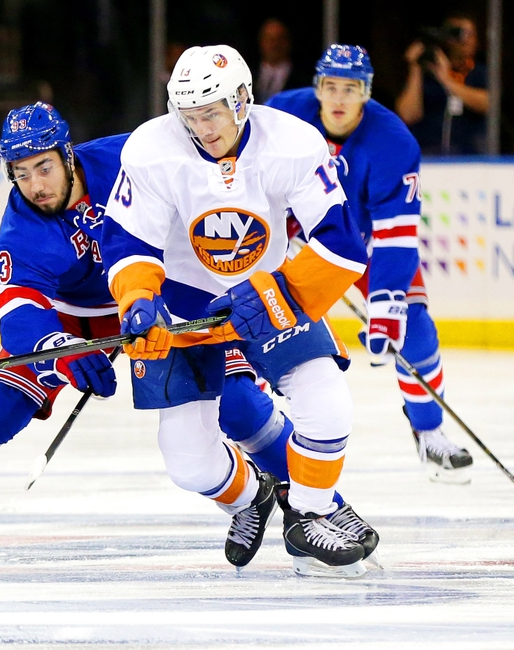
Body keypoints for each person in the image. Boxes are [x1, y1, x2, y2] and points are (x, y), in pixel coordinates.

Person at [0, 102, 294, 571]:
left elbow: (212, 169)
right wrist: (58, 352)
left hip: (165, 296)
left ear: (67, 155)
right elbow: (19, 311)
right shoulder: (22, 227)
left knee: (239, 403)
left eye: (43, 167)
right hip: (73, 319)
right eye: (21, 173)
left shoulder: (131, 157)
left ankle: (323, 507)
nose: (35, 185)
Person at [102, 44, 378, 578]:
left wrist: (280, 291)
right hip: (185, 307)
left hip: (270, 296)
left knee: (327, 400)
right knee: (187, 462)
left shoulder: (293, 143)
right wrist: (138, 301)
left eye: (211, 113)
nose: (201, 129)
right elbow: (127, 243)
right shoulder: (152, 149)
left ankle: (312, 515)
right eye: (190, 116)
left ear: (243, 100)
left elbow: (342, 243)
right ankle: (251, 496)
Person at [267, 44, 473, 483]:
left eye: (351, 89)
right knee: (264, 329)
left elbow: (396, 232)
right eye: (331, 87)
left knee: (414, 326)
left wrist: (388, 300)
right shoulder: (281, 116)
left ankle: (428, 430)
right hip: (289, 241)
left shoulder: (393, 141)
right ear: (317, 88)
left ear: (367, 93)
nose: (339, 99)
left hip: (359, 246)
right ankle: (260, 439)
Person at [395, 13, 488, 155]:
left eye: (471, 34)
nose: (466, 40)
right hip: (431, 156)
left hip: (470, 158)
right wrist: (415, 68)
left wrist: (447, 80)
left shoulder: (480, 72)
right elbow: (408, 115)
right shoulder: (428, 74)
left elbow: (488, 104)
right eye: (459, 34)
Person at [255, 18, 311, 105]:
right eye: (269, 39)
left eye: (279, 38)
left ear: (288, 42)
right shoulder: (247, 73)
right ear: (261, 41)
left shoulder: (303, 80)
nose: (274, 44)